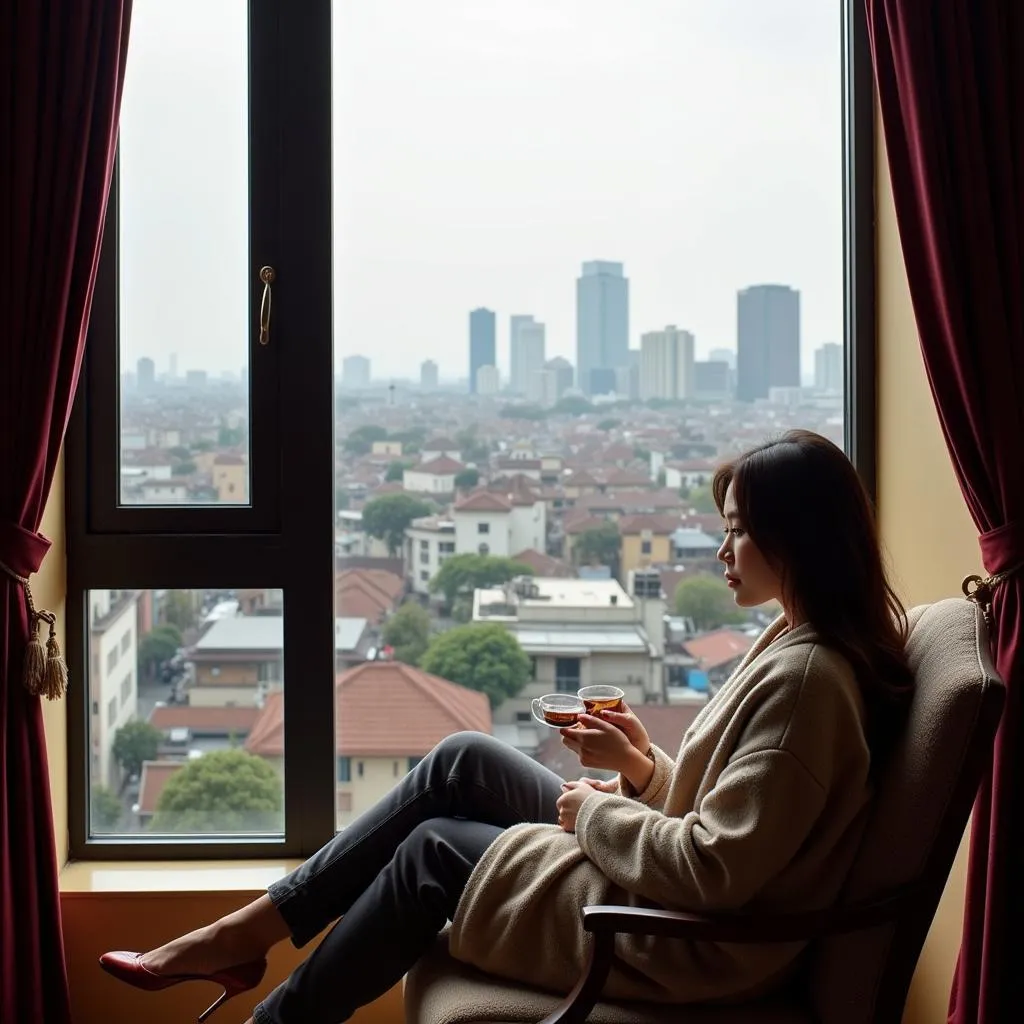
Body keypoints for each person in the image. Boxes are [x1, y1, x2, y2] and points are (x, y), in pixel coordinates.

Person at [99, 429, 914, 1024]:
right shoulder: (798, 641)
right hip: (682, 895)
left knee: (432, 852)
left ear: (796, 536)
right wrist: (642, 770)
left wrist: (596, 812)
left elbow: (719, 871)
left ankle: (274, 1021)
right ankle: (246, 932)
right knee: (463, 760)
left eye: (737, 529)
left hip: (688, 942)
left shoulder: (809, 679)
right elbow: (739, 818)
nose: (723, 549)